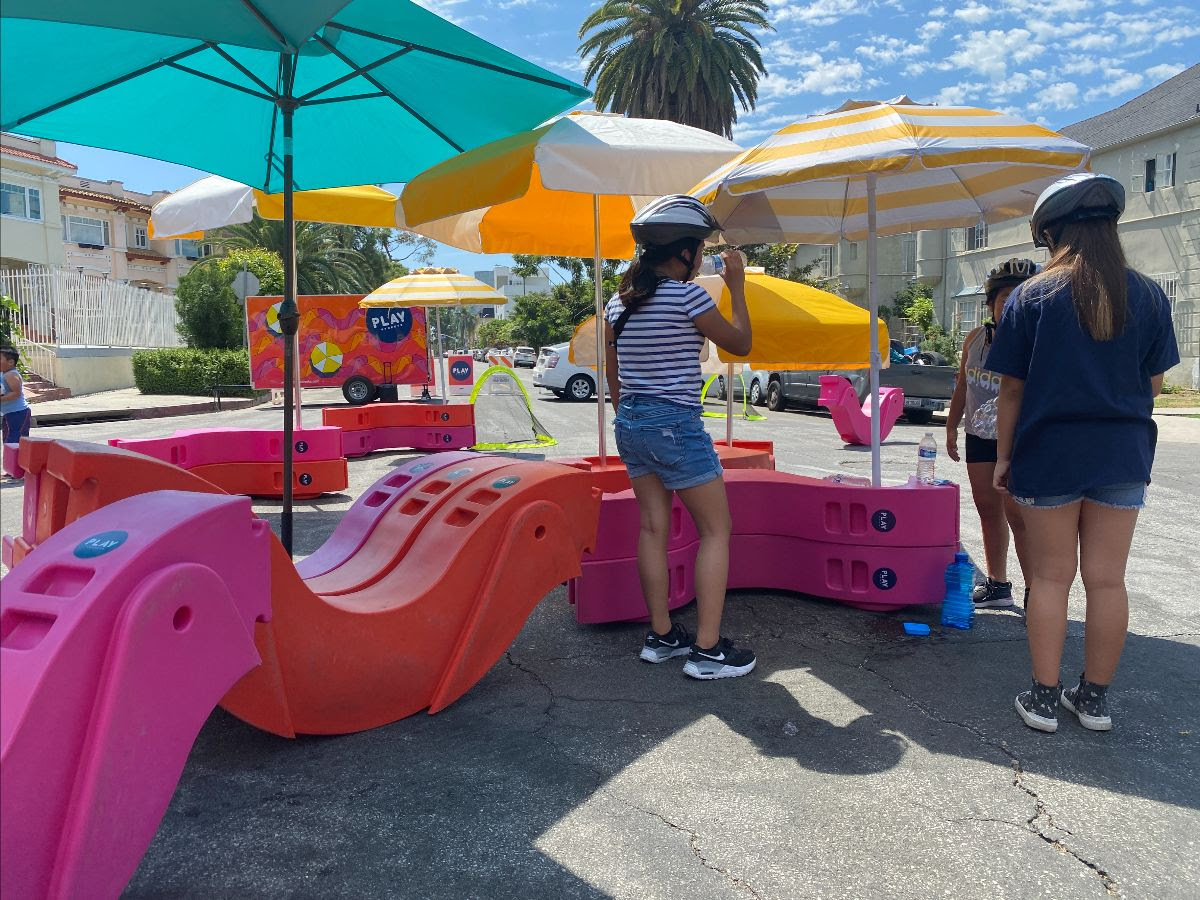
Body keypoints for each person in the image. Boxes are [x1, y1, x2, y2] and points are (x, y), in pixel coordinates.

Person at [987, 173, 1179, 733]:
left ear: (1050, 232)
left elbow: (1012, 390)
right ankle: (1093, 699)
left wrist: (1003, 458)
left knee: (1050, 579)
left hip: (1049, 453)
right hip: (1121, 455)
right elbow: (1154, 386)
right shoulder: (1146, 294)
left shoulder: (1032, 296)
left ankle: (1043, 698)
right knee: (1107, 580)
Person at [602, 195, 755, 680]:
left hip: (630, 422)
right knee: (717, 530)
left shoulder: (618, 303)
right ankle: (707, 651)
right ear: (684, 252)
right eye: (701, 250)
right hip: (675, 424)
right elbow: (740, 344)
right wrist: (737, 287)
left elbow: (614, 378)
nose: (704, 258)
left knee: (652, 527)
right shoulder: (688, 297)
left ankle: (662, 636)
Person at [945, 259, 1037, 610]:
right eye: (1005, 300)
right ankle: (999, 584)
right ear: (990, 304)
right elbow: (962, 385)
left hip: (1017, 437)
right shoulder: (975, 339)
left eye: (1023, 300)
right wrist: (952, 425)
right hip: (979, 435)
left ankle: (1035, 592)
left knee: (1018, 515)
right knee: (987, 509)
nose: (1013, 308)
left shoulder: (1038, 342)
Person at [1, 347, 32, 481]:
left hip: (19, 413)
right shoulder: (3, 373)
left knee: (15, 441)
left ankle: (19, 471)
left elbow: (16, 393)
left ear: (10, 362)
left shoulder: (11, 375)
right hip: (9, 414)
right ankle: (11, 469)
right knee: (8, 442)